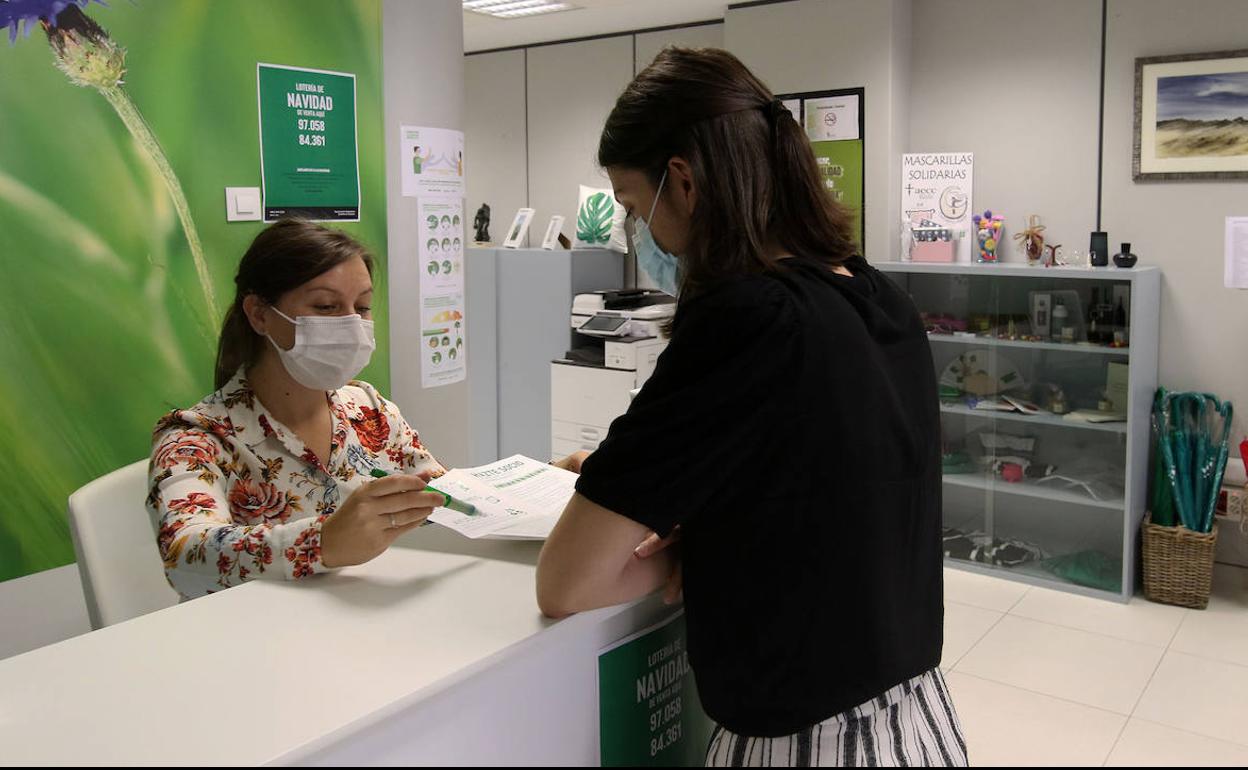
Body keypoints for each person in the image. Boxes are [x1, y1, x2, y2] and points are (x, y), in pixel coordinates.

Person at [535, 48, 966, 767]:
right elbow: (819, 492)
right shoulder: (874, 293)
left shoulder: (748, 317)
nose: (642, 235)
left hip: (811, 743)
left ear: (684, 182)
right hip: (919, 724)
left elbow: (567, 582)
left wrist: (670, 535)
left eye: (636, 208)